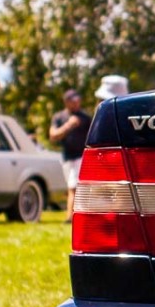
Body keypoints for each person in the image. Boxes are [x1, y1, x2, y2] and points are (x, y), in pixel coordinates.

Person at [49, 89, 92, 220]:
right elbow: (53, 136)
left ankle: (71, 217)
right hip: (67, 158)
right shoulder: (59, 117)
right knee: (71, 186)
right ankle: (73, 215)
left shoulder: (85, 118)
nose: (77, 104)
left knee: (74, 187)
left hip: (82, 157)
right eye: (73, 101)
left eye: (78, 101)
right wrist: (69, 125)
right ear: (67, 102)